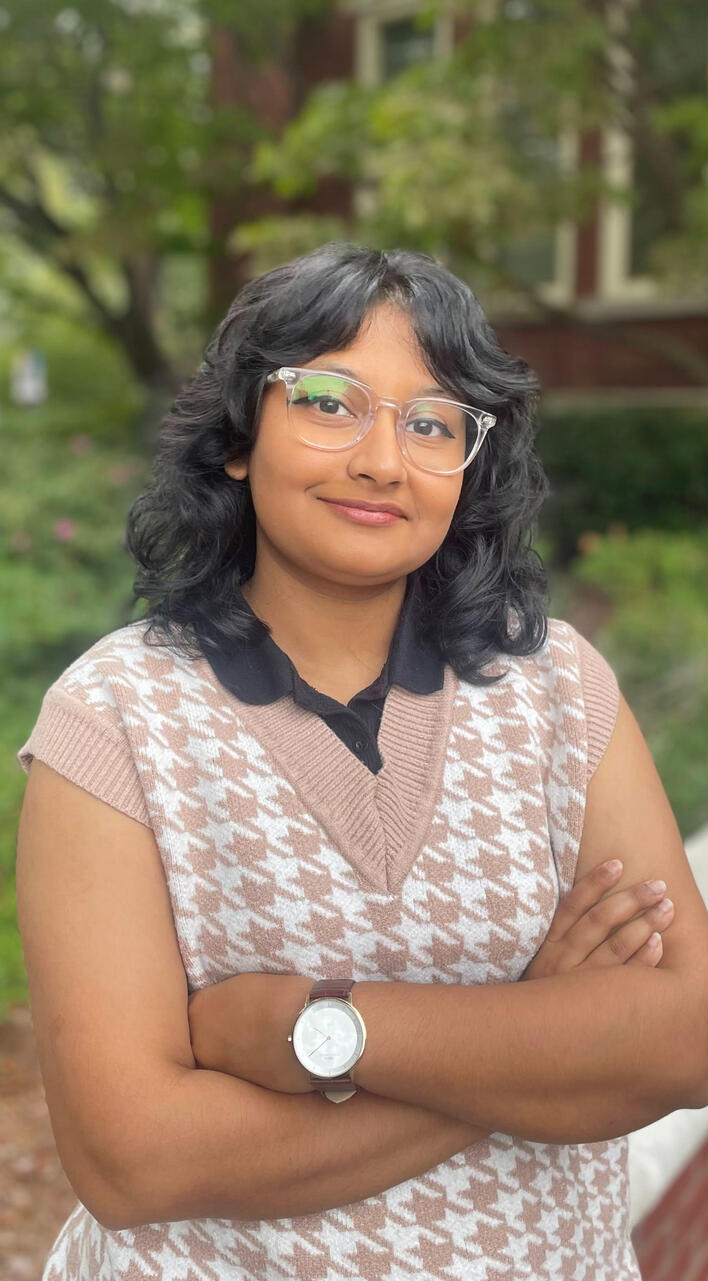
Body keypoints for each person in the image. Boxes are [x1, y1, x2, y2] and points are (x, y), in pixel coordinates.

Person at [15, 242, 708, 1281]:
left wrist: (319, 1032)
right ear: (243, 437)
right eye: (330, 403)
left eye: (432, 424)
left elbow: (685, 1036)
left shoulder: (558, 689)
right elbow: (134, 1158)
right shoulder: (115, 721)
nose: (383, 460)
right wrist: (536, 1035)